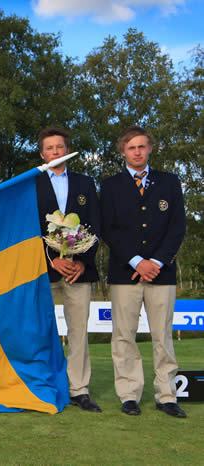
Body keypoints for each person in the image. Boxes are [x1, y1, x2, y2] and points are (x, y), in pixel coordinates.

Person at [100, 125, 186, 418]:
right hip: (125, 273)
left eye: (141, 146)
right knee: (124, 337)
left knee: (163, 337)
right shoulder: (110, 186)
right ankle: (129, 395)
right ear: (123, 152)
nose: (137, 152)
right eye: (131, 147)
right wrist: (137, 261)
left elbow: (177, 227)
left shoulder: (170, 182)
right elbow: (108, 229)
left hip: (162, 273)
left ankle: (167, 395)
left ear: (149, 148)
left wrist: (157, 262)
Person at [35, 127, 102, 413]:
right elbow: (27, 228)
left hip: (78, 270)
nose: (55, 152)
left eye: (59, 147)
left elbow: (96, 224)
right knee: (42, 331)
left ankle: (79, 389)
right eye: (49, 148)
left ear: (67, 150)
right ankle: (46, 387)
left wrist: (82, 261)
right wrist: (51, 259)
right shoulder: (32, 183)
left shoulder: (85, 182)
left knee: (78, 332)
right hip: (44, 270)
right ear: (42, 154)